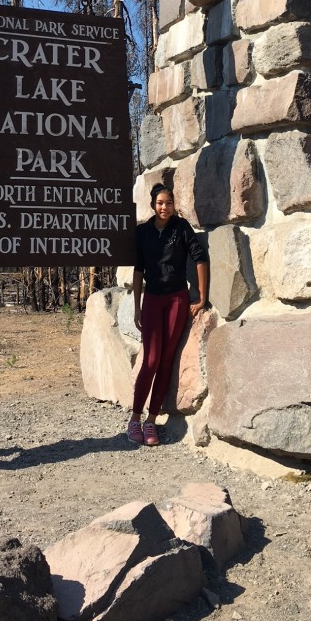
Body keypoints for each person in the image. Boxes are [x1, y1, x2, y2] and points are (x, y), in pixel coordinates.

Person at [127, 183, 209, 447]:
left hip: (177, 299)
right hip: (152, 299)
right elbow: (138, 270)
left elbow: (200, 257)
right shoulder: (142, 232)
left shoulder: (181, 228)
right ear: (153, 205)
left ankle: (151, 421)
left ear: (174, 205)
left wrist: (202, 298)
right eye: (160, 203)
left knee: (165, 361)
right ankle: (135, 419)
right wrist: (137, 306)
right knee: (150, 360)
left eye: (169, 203)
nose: (165, 207)